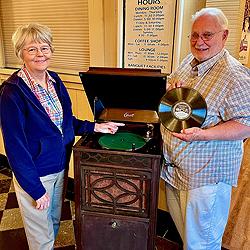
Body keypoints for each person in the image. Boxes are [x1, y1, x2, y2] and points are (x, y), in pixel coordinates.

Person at [0, 23, 124, 250]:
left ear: (52, 50)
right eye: (32, 49)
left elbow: (66, 123)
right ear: (21, 53)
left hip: (60, 167)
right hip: (36, 175)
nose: (40, 54)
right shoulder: (12, 92)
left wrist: (96, 127)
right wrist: (35, 189)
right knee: (41, 236)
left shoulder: (55, 80)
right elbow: (15, 146)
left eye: (45, 48)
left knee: (54, 222)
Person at [160, 7, 250, 250]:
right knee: (189, 240)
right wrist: (170, 88)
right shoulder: (189, 61)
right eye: (194, 35)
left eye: (207, 35)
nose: (199, 42)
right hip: (176, 171)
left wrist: (203, 134)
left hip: (205, 178)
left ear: (224, 35)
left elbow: (246, 124)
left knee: (203, 243)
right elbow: (173, 93)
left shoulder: (235, 76)